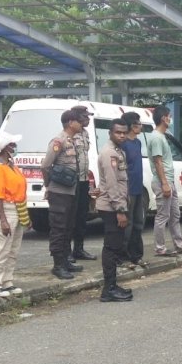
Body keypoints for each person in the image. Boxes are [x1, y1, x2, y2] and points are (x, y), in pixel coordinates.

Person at [41, 110, 85, 280]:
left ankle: (66, 260)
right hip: (59, 192)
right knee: (58, 228)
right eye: (79, 121)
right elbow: (45, 166)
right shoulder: (58, 141)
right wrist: (48, 186)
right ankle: (57, 265)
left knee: (68, 227)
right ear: (70, 122)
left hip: (71, 190)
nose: (81, 124)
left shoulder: (71, 141)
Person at [0, 132, 28, 298]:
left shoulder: (11, 165)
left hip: (16, 208)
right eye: (12, 145)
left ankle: (6, 281)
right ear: (3, 148)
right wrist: (3, 220)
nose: (14, 147)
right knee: (2, 248)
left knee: (13, 248)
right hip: (3, 210)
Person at [96, 120, 133, 302]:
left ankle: (112, 285)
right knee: (111, 248)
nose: (122, 135)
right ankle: (108, 289)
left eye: (124, 132)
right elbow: (111, 184)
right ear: (110, 133)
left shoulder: (118, 151)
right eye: (118, 132)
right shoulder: (109, 153)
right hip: (111, 207)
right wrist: (120, 210)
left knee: (115, 246)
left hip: (116, 205)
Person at [147, 105, 182, 257]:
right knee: (162, 216)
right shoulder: (157, 137)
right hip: (163, 181)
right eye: (169, 116)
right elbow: (158, 162)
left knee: (175, 214)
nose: (170, 119)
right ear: (164, 118)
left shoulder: (161, 136)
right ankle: (160, 248)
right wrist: (164, 183)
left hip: (168, 181)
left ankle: (179, 244)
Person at [68, 105, 96, 262]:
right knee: (71, 217)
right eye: (85, 116)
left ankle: (79, 249)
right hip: (73, 181)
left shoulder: (85, 133)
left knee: (81, 216)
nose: (88, 119)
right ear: (77, 118)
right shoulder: (70, 135)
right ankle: (68, 251)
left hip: (84, 180)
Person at [121, 111, 148, 268]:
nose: (140, 126)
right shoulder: (124, 144)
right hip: (128, 189)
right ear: (131, 126)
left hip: (138, 187)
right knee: (128, 224)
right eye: (137, 124)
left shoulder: (137, 143)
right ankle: (124, 256)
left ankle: (136, 255)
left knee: (139, 222)